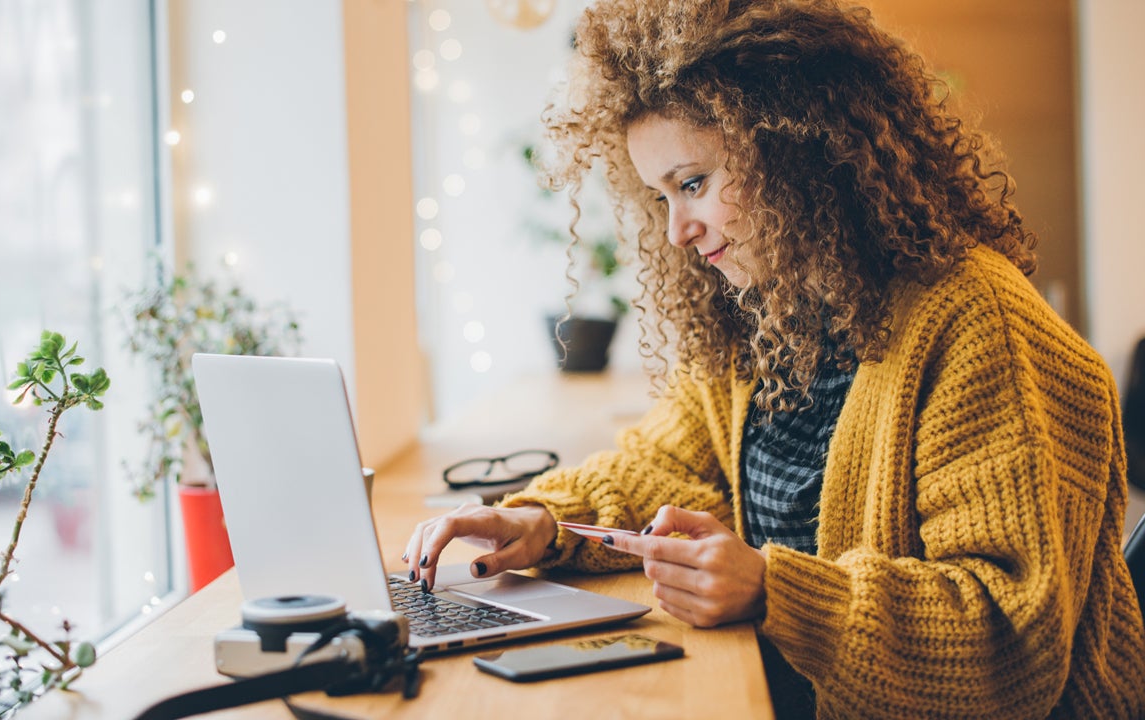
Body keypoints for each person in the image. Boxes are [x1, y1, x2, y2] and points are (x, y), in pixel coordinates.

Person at [404, 0, 1145, 717]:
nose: (675, 233)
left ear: (798, 150)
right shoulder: (770, 312)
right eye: (660, 197)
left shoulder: (980, 324)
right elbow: (668, 469)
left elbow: (1006, 642)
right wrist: (542, 521)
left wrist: (775, 592)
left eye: (692, 184)